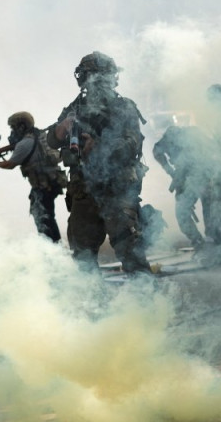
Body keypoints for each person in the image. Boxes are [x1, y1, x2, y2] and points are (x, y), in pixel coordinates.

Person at [45, 51, 152, 274]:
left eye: (92, 75)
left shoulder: (123, 107)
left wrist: (100, 146)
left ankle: (148, 302)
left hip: (117, 189)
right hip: (83, 191)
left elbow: (133, 142)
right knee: (83, 256)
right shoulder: (74, 109)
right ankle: (93, 304)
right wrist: (60, 129)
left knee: (130, 250)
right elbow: (52, 141)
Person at [0, 111, 67, 242]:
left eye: (13, 127)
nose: (12, 131)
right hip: (53, 181)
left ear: (21, 127)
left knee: (43, 217)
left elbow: (10, 164)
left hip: (44, 185)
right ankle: (54, 247)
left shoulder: (25, 143)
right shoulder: (40, 136)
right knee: (45, 216)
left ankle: (53, 248)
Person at [152, 122, 214, 250]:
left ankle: (212, 240)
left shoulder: (194, 133)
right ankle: (200, 243)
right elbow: (156, 151)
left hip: (203, 175)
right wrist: (170, 171)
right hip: (186, 178)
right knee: (183, 213)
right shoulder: (170, 138)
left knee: (209, 209)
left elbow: (213, 148)